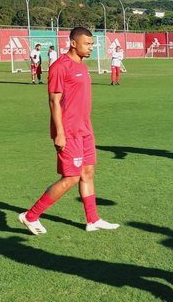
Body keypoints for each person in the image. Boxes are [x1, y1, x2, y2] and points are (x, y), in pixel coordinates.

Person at [19, 27, 119, 235]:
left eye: (92, 44)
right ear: (73, 43)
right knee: (71, 178)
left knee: (88, 173)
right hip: (69, 131)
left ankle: (92, 220)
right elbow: (54, 101)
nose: (91, 47)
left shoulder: (81, 65)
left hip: (85, 129)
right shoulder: (60, 67)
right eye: (87, 44)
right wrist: (60, 133)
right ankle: (30, 216)